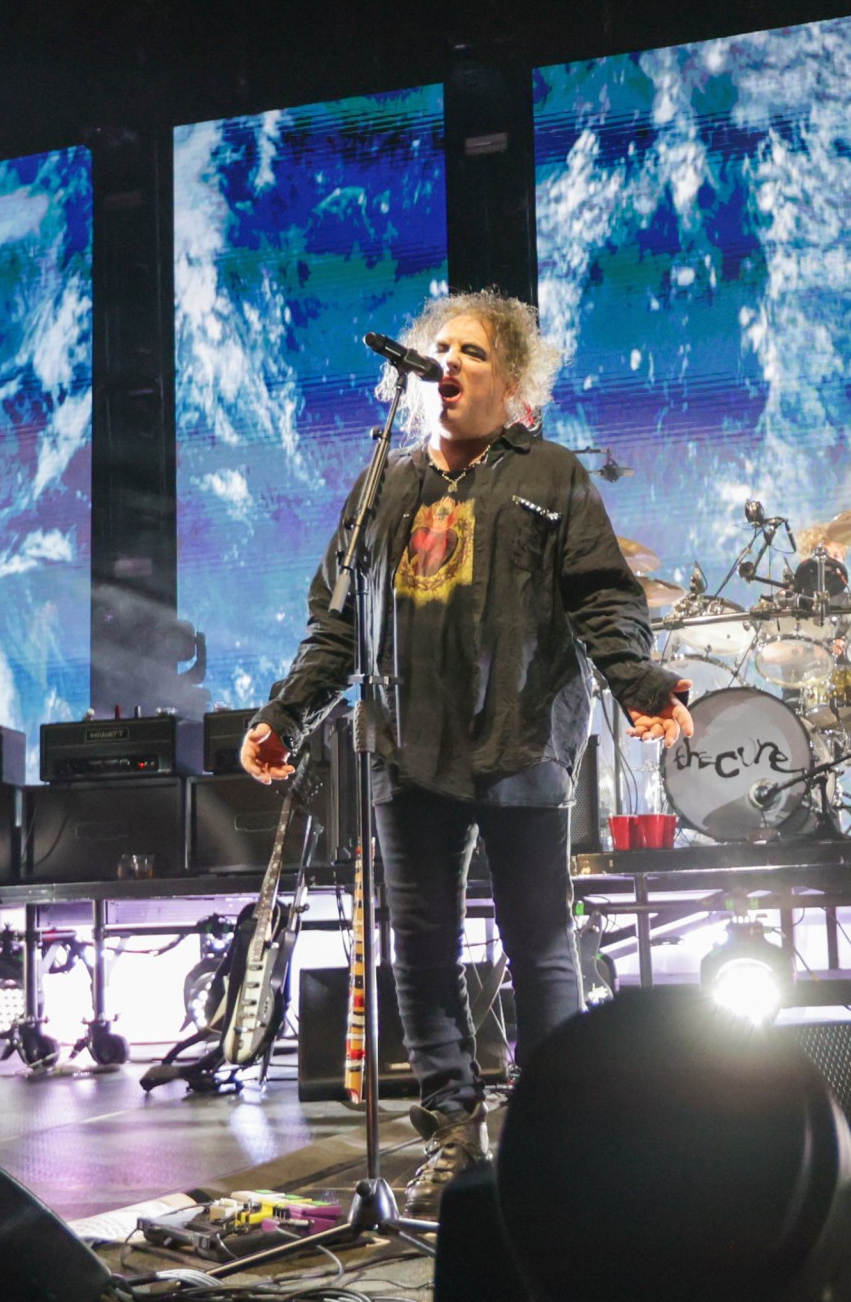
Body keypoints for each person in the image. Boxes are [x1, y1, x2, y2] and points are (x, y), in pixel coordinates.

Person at [241, 289, 694, 1212]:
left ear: (515, 382)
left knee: (539, 941)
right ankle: (452, 1125)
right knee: (422, 947)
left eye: (472, 352)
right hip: (405, 752)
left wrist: (642, 686)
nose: (448, 363)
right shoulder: (384, 485)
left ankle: (557, 1127)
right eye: (438, 349)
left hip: (520, 741)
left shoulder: (552, 474)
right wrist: (284, 716)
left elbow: (605, 599)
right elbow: (334, 628)